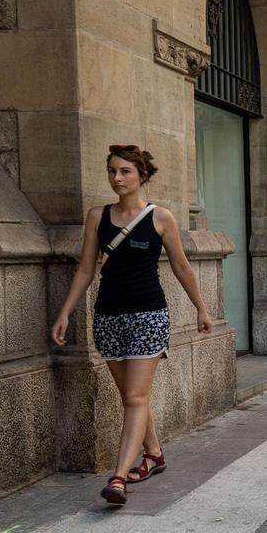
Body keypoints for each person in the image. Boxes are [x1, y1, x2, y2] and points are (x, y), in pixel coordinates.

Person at [51, 145, 212, 505]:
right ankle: (153, 454)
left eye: (125, 171)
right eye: (112, 171)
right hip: (108, 315)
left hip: (148, 316)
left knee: (136, 397)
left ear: (142, 176)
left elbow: (182, 267)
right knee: (131, 397)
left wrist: (201, 308)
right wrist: (65, 313)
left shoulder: (161, 218)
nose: (117, 178)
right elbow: (85, 269)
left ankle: (119, 477)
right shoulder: (98, 217)